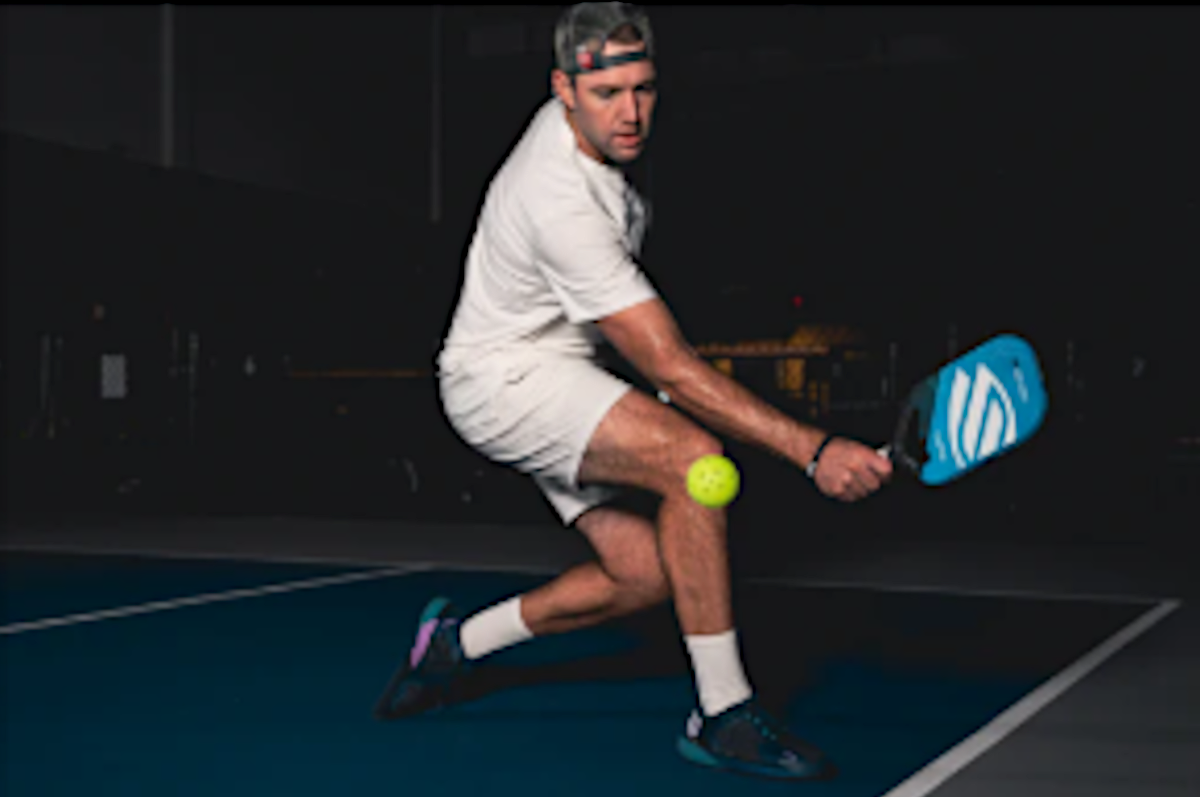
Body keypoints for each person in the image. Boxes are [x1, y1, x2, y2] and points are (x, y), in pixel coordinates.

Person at [385, 2, 892, 781]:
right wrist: (814, 449)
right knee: (693, 459)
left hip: (561, 370)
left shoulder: (590, 140)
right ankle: (724, 713)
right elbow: (671, 368)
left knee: (648, 574)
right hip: (503, 381)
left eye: (643, 89)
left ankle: (456, 644)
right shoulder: (559, 198)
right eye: (606, 94)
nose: (629, 113)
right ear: (563, 89)